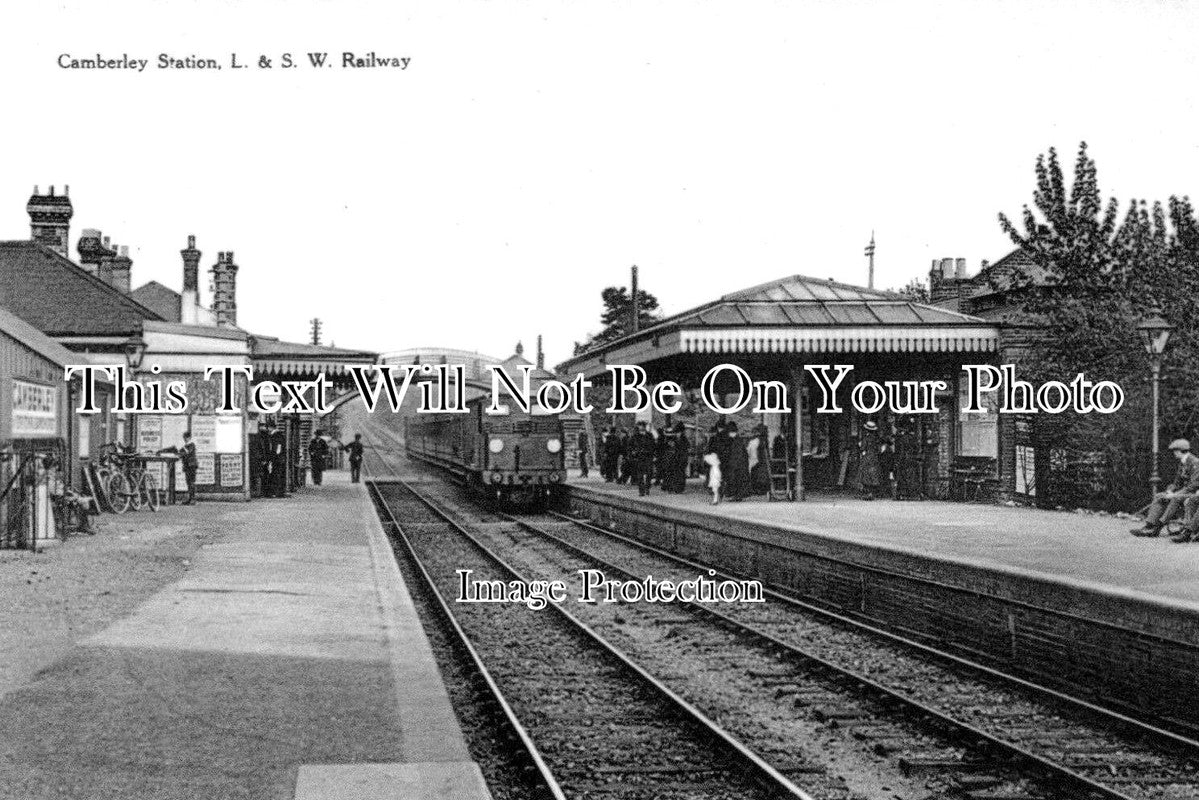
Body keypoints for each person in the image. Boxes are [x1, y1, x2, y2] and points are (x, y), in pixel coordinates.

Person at [1131, 438, 1199, 539]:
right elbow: (1177, 482)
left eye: (1175, 451)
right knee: (1161, 496)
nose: (1174, 453)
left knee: (1175, 498)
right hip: (1184, 492)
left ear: (1180, 451)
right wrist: (1170, 490)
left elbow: (1194, 485)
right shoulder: (1182, 462)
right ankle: (1150, 525)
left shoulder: (1195, 462)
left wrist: (1175, 494)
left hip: (1191, 493)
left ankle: (1158, 526)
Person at [160, 431, 199, 505]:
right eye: (184, 438)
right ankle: (190, 499)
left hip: (191, 466)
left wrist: (178, 454)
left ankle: (193, 499)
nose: (185, 439)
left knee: (191, 482)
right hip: (188, 466)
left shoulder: (191, 445)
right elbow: (179, 451)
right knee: (189, 482)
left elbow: (184, 452)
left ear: (189, 438)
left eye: (186, 438)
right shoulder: (187, 446)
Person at [629, 421, 655, 496]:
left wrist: (653, 454)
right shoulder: (635, 436)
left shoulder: (650, 435)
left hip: (648, 457)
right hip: (639, 457)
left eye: (642, 426)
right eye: (640, 426)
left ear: (644, 427)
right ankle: (641, 490)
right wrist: (633, 452)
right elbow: (630, 446)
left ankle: (647, 487)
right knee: (640, 475)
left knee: (649, 473)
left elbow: (653, 445)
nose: (641, 427)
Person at [858, 420, 882, 500]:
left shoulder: (866, 438)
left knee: (866, 475)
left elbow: (862, 448)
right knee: (874, 474)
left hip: (867, 457)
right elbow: (879, 449)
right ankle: (872, 493)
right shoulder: (876, 439)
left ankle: (867, 493)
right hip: (875, 458)